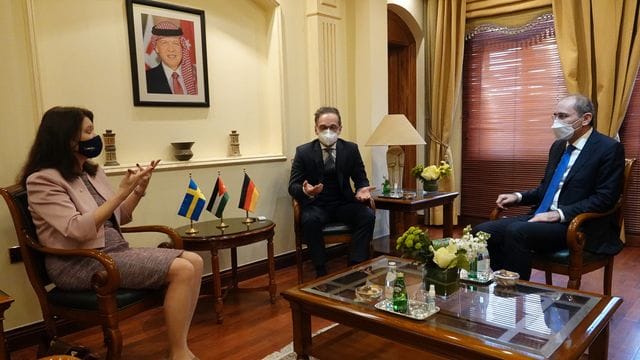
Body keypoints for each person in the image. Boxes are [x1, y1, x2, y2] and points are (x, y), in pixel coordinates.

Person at [20, 106, 203, 360]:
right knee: (182, 269)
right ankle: (179, 353)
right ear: (68, 139)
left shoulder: (92, 173)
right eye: (88, 131)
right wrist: (121, 192)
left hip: (113, 252)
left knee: (195, 260)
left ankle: (180, 345)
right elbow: (78, 229)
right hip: (78, 261)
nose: (94, 137)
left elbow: (120, 217)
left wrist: (137, 190)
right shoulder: (42, 180)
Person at [474, 94, 625, 281]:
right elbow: (546, 189)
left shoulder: (608, 148)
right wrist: (518, 196)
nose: (556, 122)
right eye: (554, 116)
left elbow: (605, 199)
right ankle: (500, 283)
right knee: (482, 232)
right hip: (542, 216)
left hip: (575, 225)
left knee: (516, 231)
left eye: (563, 116)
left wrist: (558, 214)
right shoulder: (558, 146)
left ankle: (515, 292)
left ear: (586, 118)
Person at [288, 106, 376, 277]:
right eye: (323, 127)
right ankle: (321, 269)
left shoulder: (350, 149)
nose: (328, 131)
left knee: (367, 215)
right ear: (316, 129)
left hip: (343, 203)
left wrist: (361, 190)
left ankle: (355, 266)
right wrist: (307, 191)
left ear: (340, 129)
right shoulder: (303, 152)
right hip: (317, 205)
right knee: (309, 220)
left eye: (333, 127)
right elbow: (293, 186)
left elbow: (360, 178)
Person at [146, 21, 198, 95]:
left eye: (175, 43)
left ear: (182, 47)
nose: (171, 49)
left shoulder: (196, 75)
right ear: (157, 48)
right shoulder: (146, 79)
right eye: (164, 43)